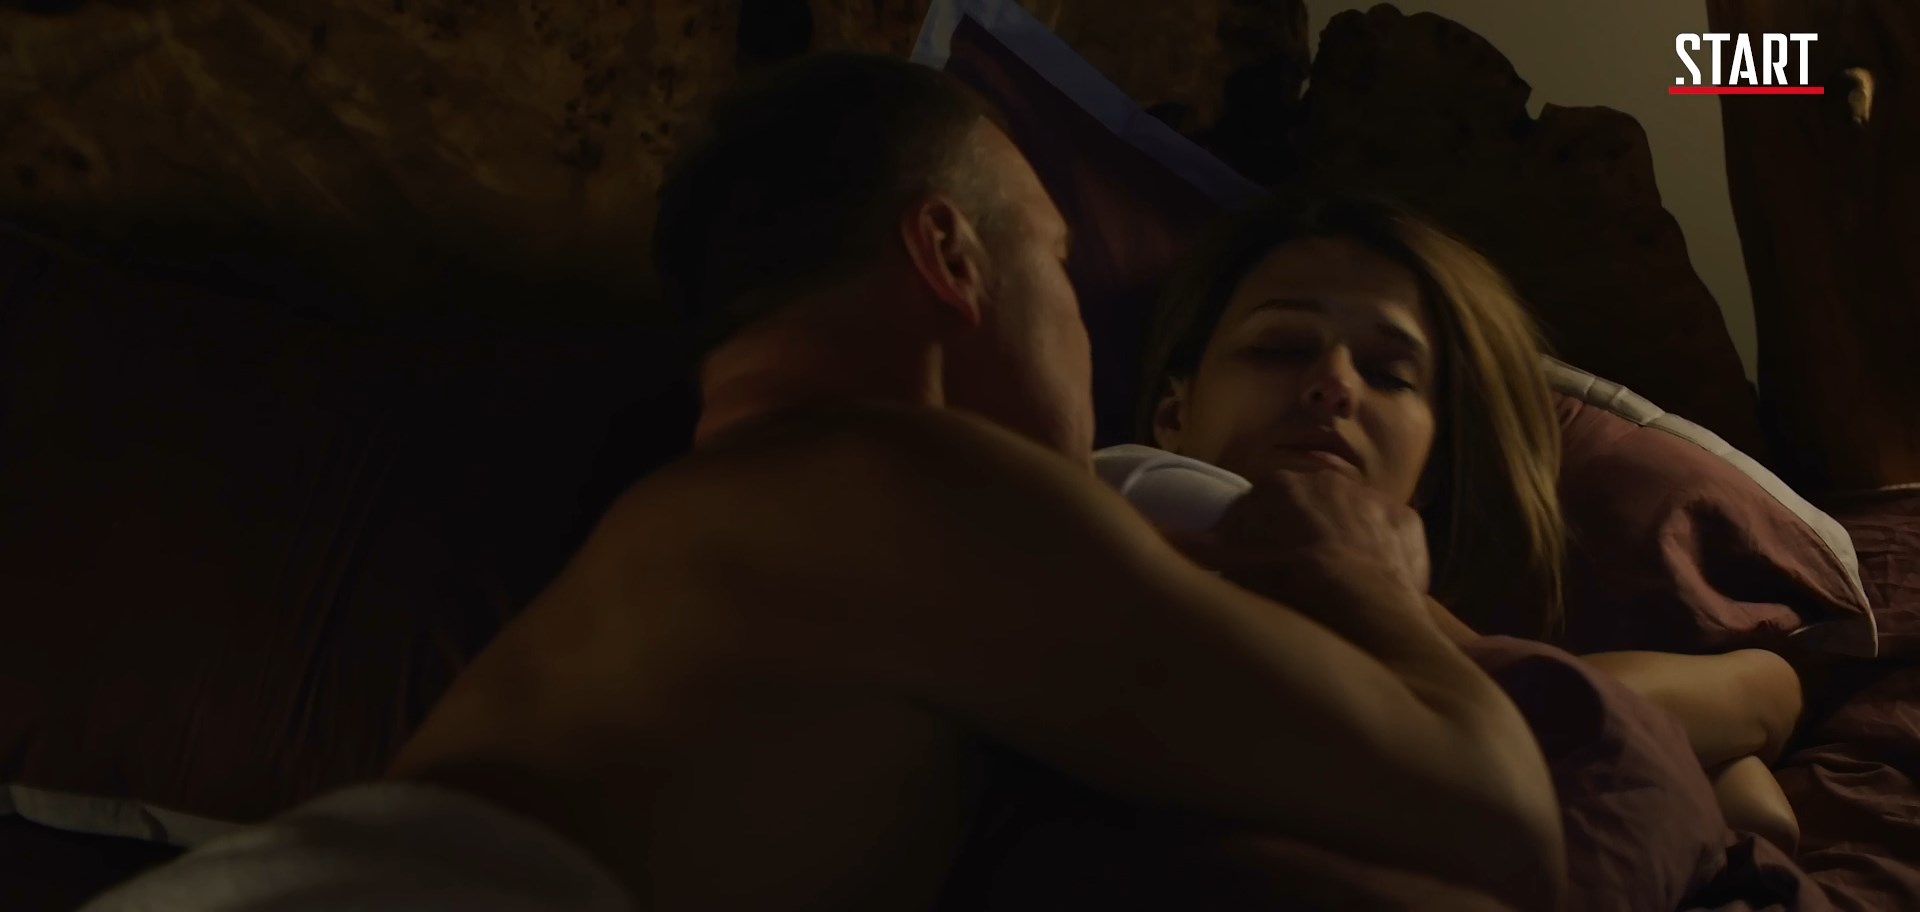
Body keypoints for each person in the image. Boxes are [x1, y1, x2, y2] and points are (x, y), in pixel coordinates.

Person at [80, 53, 1564, 912]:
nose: (1081, 330)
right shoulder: (915, 487)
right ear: (950, 255)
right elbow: (1502, 819)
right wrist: (1371, 579)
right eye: (1057, 263)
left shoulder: (711, 539)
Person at [1135, 189, 1804, 850]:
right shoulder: (1151, 496)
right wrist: (1759, 695)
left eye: (1389, 373)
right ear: (1173, 414)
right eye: (1280, 347)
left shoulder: (1435, 652)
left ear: (1428, 474)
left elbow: (1751, 816)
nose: (1334, 383)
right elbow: (1540, 709)